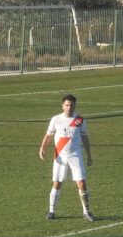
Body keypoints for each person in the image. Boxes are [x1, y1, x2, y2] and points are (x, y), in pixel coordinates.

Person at [38, 93, 95, 222]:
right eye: (67, 105)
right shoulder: (56, 119)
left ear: (75, 106)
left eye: (71, 105)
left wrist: (89, 155)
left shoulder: (79, 120)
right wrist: (43, 148)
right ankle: (51, 211)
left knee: (82, 183)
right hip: (60, 156)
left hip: (76, 156)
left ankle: (86, 212)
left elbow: (85, 137)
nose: (69, 107)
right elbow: (49, 135)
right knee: (57, 183)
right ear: (62, 106)